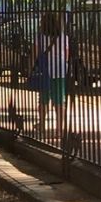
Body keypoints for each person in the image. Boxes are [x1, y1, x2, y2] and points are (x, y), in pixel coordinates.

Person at [34, 11, 69, 140]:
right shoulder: (64, 37)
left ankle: (42, 126)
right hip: (60, 71)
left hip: (45, 71)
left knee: (43, 100)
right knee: (59, 101)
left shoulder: (40, 37)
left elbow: (37, 54)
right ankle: (60, 129)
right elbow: (66, 55)